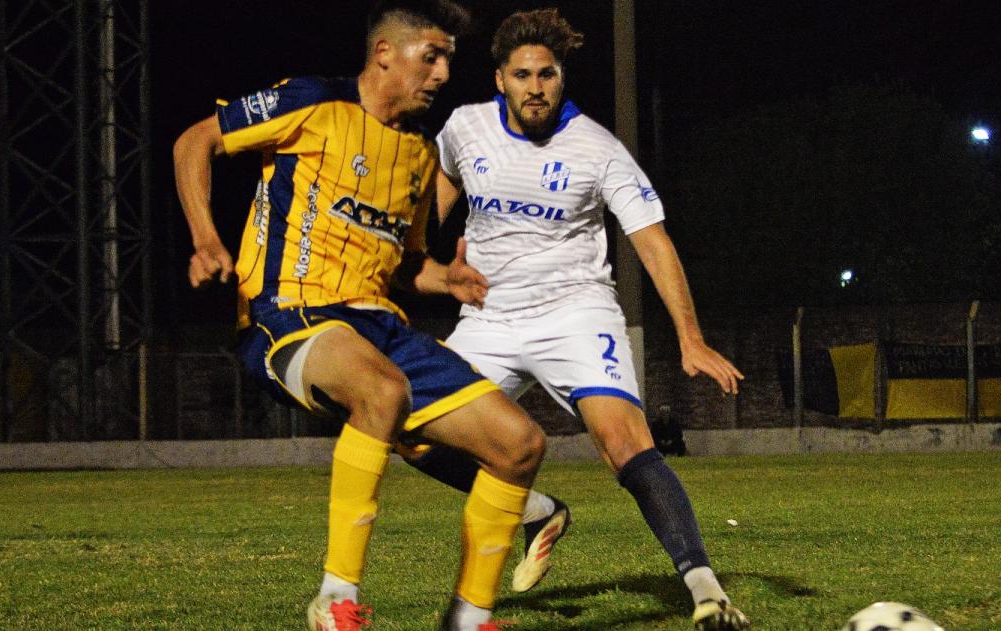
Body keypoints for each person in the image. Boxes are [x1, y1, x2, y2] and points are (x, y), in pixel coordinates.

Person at [172, 3, 547, 630]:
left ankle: (470, 617)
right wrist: (207, 240)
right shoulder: (315, 101)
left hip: (382, 325)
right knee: (381, 391)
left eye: (449, 59)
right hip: (289, 311)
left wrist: (446, 280)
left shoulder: (419, 155)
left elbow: (409, 265)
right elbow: (195, 141)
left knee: (518, 444)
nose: (443, 73)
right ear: (383, 53)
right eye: (431, 55)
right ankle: (336, 600)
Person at [403, 8, 751, 630]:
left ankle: (707, 592)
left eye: (547, 74)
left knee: (625, 445)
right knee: (411, 428)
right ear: (500, 81)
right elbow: (426, 213)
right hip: (488, 315)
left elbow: (652, 241)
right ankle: (537, 510)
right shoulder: (464, 128)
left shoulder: (597, 148)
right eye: (522, 75)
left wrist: (690, 338)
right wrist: (415, 265)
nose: (535, 86)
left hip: (575, 312)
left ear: (560, 78)